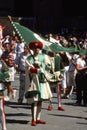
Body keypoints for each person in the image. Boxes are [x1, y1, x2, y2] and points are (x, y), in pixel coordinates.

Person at [25, 41, 52, 126]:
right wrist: (36, 69)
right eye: (35, 48)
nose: (36, 49)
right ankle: (33, 119)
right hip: (34, 81)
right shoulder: (29, 58)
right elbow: (28, 68)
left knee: (40, 100)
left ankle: (38, 118)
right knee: (34, 101)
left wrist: (42, 65)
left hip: (42, 81)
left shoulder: (44, 57)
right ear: (32, 49)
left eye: (38, 48)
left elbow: (49, 66)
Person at [0, 51, 9, 130]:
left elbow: (7, 73)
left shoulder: (2, 63)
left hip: (0, 88)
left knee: (1, 109)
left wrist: (0, 76)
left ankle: (4, 128)